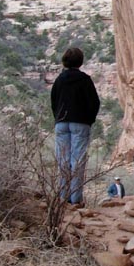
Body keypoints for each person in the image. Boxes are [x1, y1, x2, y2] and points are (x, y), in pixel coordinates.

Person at [50, 47, 100, 205]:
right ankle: (75, 199)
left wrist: (58, 118)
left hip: (61, 122)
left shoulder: (59, 80)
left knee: (63, 161)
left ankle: (63, 198)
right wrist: (89, 120)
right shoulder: (85, 80)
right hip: (80, 122)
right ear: (80, 61)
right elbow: (94, 102)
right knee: (77, 161)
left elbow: (53, 101)